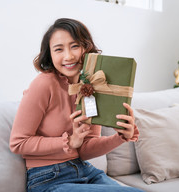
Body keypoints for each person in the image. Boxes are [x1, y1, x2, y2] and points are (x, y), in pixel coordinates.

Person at [9, 18, 143, 192]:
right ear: (50, 55)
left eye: (75, 46)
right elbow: (18, 143)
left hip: (85, 171)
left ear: (86, 48)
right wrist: (69, 141)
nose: (69, 56)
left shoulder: (92, 86)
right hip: (48, 179)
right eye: (59, 49)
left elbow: (85, 149)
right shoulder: (43, 84)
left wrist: (120, 137)